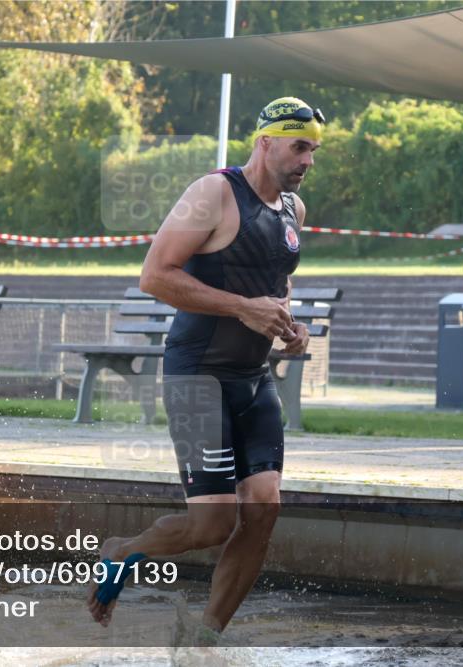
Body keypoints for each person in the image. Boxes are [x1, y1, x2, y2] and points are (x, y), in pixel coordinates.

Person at [86, 97, 322, 643]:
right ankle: (121, 552)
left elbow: (276, 282)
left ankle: (205, 638)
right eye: (299, 147)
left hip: (253, 377)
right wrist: (243, 307)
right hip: (198, 377)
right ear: (265, 142)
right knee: (210, 526)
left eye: (313, 150)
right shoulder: (211, 193)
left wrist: (289, 324)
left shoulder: (294, 211)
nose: (308, 160)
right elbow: (155, 276)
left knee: (264, 509)